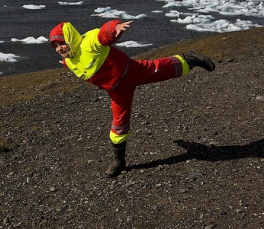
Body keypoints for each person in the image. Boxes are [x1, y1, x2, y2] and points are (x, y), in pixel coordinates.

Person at [49, 19, 215, 177]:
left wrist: (115, 28)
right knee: (119, 124)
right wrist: (65, 62)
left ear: (71, 38)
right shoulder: (70, 60)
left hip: (130, 71)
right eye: (55, 46)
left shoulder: (88, 42)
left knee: (159, 69)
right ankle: (119, 161)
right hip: (117, 90)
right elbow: (78, 63)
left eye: (61, 43)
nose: (59, 48)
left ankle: (192, 59)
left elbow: (103, 34)